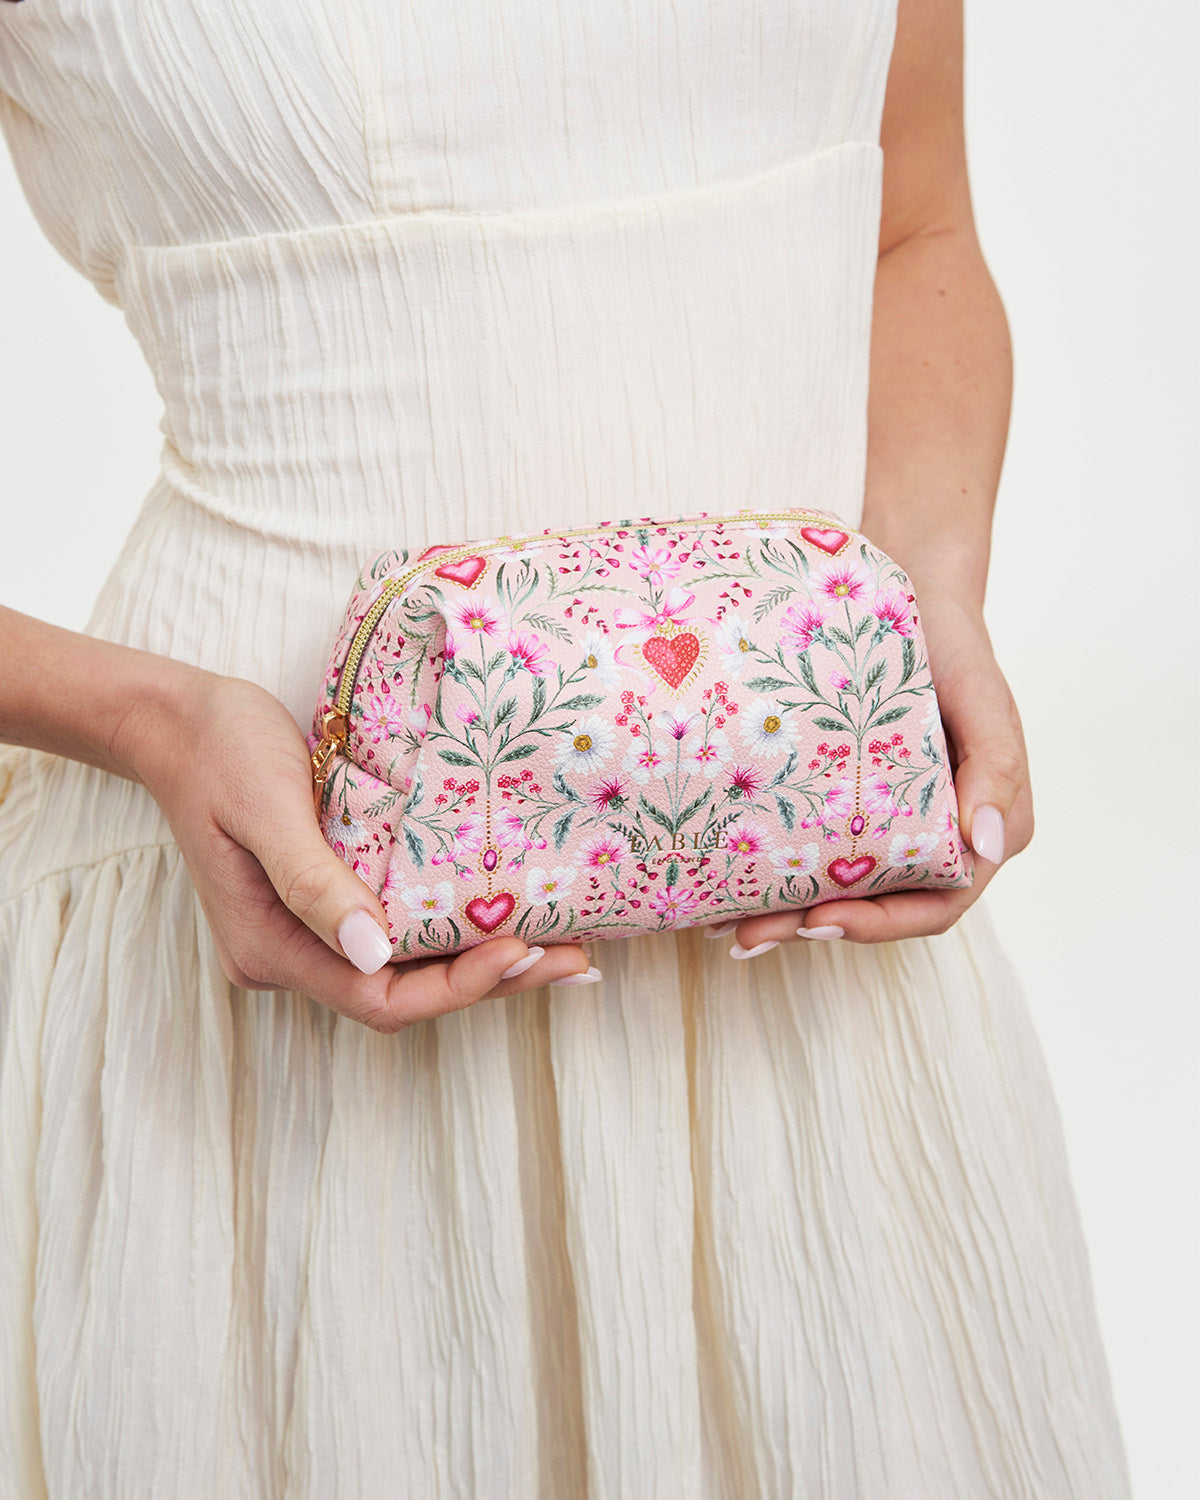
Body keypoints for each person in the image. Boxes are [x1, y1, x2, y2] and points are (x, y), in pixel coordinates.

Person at [0, 0, 1131, 1494]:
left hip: (808, 968)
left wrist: (932, 594)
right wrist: (147, 718)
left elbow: (911, 227)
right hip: (277, 944)